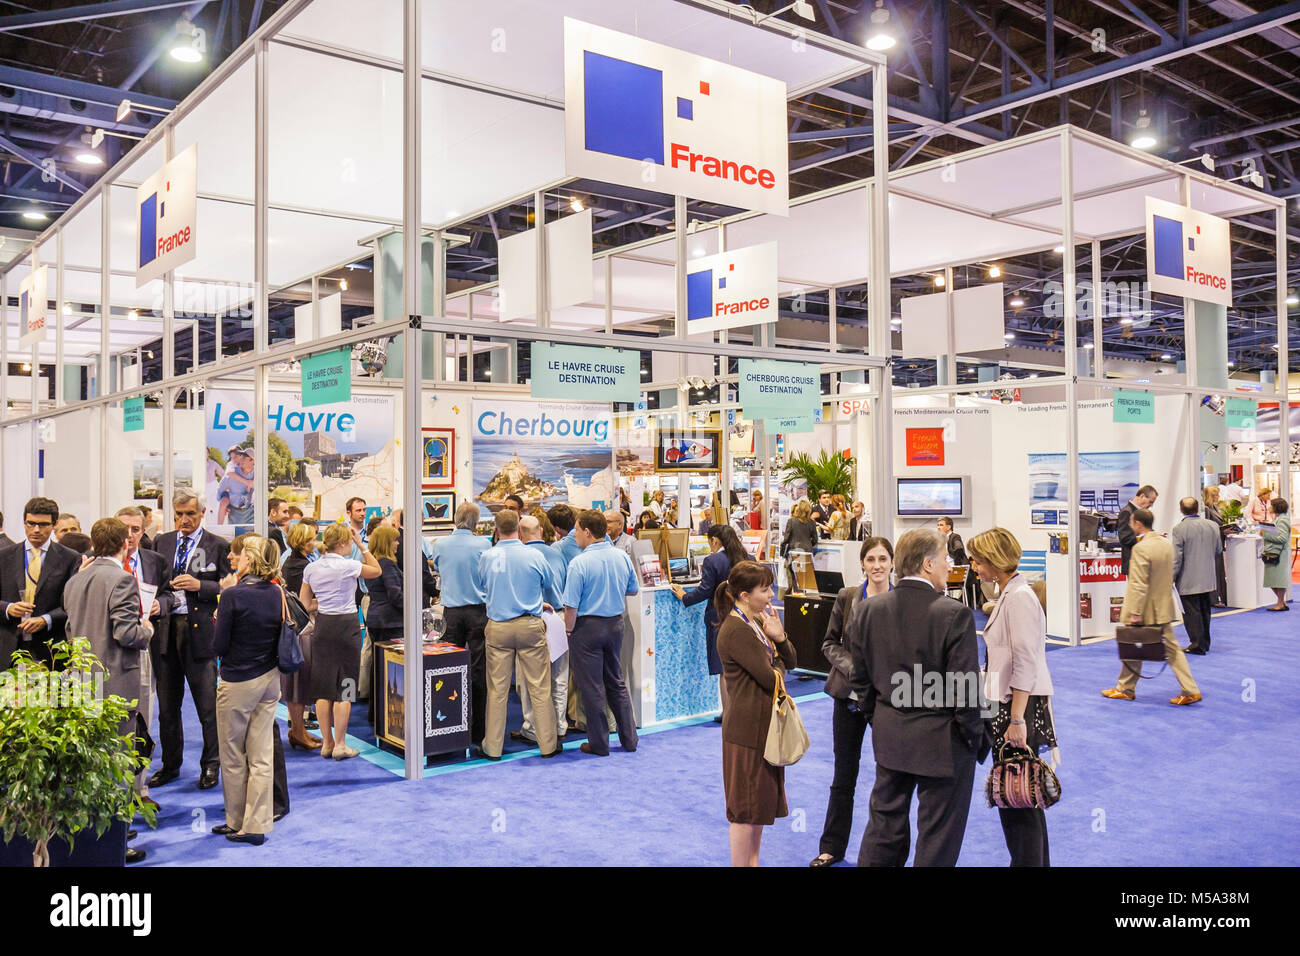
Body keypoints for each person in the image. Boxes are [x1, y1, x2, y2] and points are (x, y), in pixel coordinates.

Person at [848, 528, 984, 867]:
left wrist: (880, 718)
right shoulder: (954, 614)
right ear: (927, 564)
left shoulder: (868, 610)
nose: (948, 566)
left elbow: (860, 680)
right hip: (943, 743)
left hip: (890, 737)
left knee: (883, 832)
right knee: (937, 840)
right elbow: (966, 689)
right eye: (944, 560)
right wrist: (973, 738)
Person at [63, 517, 155, 864]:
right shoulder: (121, 579)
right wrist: (146, 628)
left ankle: (97, 835)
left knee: (90, 767)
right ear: (125, 543)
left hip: (82, 683)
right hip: (116, 685)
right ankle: (114, 844)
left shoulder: (76, 579)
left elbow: (71, 632)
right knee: (117, 768)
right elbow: (126, 634)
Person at [968, 528, 1057, 867]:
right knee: (1024, 798)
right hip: (1009, 707)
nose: (975, 567)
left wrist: (1016, 719)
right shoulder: (1011, 593)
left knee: (1016, 800)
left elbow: (1025, 661)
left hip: (1015, 711)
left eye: (978, 561)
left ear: (995, 561)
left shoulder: (1019, 597)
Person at [811, 536, 894, 867]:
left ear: (892, 563)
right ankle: (831, 846)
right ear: (862, 563)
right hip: (847, 699)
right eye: (870, 559)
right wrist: (855, 670)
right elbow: (829, 643)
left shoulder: (900, 600)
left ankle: (879, 852)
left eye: (882, 559)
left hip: (887, 703)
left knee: (888, 778)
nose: (876, 565)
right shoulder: (848, 597)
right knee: (843, 775)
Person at [716, 560, 797, 866]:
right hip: (746, 731)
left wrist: (779, 637)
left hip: (763, 727)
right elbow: (771, 677)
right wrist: (777, 664)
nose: (771, 594)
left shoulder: (755, 623)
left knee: (758, 806)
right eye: (765, 589)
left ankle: (753, 862)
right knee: (744, 809)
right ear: (745, 596)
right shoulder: (736, 630)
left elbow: (790, 660)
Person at [151, 492, 232, 789]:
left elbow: (228, 586)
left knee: (207, 705)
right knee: (167, 705)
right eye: (179, 515)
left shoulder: (218, 545)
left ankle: (211, 764)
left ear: (202, 513)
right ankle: (171, 764)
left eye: (190, 515)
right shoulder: (162, 542)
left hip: (199, 631)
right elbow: (154, 581)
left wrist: (201, 586)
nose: (184, 520)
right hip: (165, 629)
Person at [209, 534, 283, 846]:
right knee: (262, 754)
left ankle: (235, 820)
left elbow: (219, 646)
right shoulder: (276, 593)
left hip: (238, 680)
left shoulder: (233, 596)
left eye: (239, 556)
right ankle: (256, 824)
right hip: (270, 678)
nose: (234, 559)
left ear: (249, 560)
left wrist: (218, 614)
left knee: (232, 754)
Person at [478, 509, 562, 760]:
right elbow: (547, 582)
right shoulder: (534, 554)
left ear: (496, 528)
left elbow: (484, 584)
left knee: (497, 690)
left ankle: (493, 747)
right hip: (529, 626)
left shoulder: (487, 556)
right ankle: (548, 744)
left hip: (499, 627)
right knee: (539, 687)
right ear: (518, 528)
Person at [1102, 508, 1201, 705]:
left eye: (1132, 522)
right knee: (1170, 649)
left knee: (1132, 644)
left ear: (1138, 524)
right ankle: (1127, 687)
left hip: (1145, 609)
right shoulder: (1165, 544)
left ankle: (1126, 688)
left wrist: (1135, 612)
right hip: (1163, 606)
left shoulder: (1141, 549)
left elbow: (1138, 583)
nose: (1130, 526)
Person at [300, 522, 381, 759]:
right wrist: (362, 545)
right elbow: (376, 570)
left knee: (323, 687)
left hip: (324, 624)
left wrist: (323, 602)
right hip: (346, 625)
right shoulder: (349, 566)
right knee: (345, 685)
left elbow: (305, 604)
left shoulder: (312, 568)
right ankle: (341, 744)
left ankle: (327, 743)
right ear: (344, 542)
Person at [563, 509, 640, 757]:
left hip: (588, 628)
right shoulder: (621, 557)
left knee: (592, 687)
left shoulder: (579, 563)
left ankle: (599, 744)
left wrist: (568, 630)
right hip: (615, 624)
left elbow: (570, 605)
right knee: (616, 681)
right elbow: (633, 589)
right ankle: (629, 739)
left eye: (576, 529)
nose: (574, 534)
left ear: (587, 532)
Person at [115, 506, 175, 807]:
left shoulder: (154, 561)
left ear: (143, 530)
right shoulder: (103, 564)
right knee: (113, 723)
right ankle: (113, 791)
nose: (130, 535)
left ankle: (140, 789)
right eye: (124, 529)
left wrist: (159, 607)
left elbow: (168, 594)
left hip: (145, 649)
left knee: (144, 721)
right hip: (110, 654)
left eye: (135, 529)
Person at [672, 524, 747, 723]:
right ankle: (741, 711)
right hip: (745, 616)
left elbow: (705, 590)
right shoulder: (747, 558)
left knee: (723, 667)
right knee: (742, 665)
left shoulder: (713, 560)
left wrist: (684, 597)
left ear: (715, 540)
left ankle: (728, 713)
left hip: (719, 616)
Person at [432, 502, 492, 744]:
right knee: (479, 671)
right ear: (476, 523)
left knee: (447, 670)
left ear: (455, 519)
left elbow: (437, 568)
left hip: (452, 613)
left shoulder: (441, 544)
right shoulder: (484, 544)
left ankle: (447, 723)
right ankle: (478, 730)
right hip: (479, 612)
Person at [0, 496, 81, 669]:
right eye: (31, 523)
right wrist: (8, 608)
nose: (36, 529)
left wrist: (46, 619)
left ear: (54, 525)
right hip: (8, 646)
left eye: (43, 525)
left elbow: (73, 604)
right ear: (24, 523)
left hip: (51, 648)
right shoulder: (4, 556)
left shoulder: (70, 558)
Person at [513, 514, 570, 745]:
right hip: (559, 615)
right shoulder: (557, 553)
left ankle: (532, 726)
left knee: (528, 679)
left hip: (533, 618)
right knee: (560, 676)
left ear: (520, 533)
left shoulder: (522, 556)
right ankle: (559, 724)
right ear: (541, 531)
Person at [279, 522, 321, 751]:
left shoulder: (292, 562)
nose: (315, 542)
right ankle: (297, 730)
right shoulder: (302, 565)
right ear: (304, 543)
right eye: (312, 539)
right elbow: (304, 604)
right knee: (298, 683)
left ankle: (299, 729)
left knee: (297, 683)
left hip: (296, 630)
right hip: (302, 630)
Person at [362, 525, 404, 715]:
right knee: (391, 670)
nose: (398, 543)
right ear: (388, 542)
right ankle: (388, 715)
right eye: (395, 540)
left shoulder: (374, 563)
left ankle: (375, 713)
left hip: (376, 618)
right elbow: (396, 595)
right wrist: (414, 609)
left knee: (377, 667)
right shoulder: (387, 564)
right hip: (391, 623)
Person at [1171, 497, 1222, 655]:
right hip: (1208, 577)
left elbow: (1176, 558)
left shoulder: (1179, 529)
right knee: (1205, 611)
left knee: (1192, 613)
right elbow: (1218, 550)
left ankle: (1197, 645)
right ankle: (1204, 643)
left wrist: (1170, 578)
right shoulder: (1213, 525)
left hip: (1188, 578)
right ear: (1198, 508)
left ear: (1181, 510)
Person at [1117, 485, 1158, 576]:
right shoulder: (1126, 512)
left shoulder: (1140, 512)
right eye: (1150, 502)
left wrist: (1155, 536)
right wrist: (1148, 538)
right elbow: (1125, 538)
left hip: (1143, 561)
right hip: (1133, 562)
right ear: (1142, 496)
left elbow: (1145, 531)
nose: (1151, 505)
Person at [779, 499, 819, 594]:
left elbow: (786, 539)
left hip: (795, 551)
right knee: (805, 578)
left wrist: (782, 552)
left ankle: (797, 596)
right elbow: (815, 540)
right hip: (808, 552)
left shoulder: (791, 521)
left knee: (795, 577)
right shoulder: (812, 523)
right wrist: (809, 545)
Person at [938, 516, 977, 607]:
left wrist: (947, 552)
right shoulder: (940, 540)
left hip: (955, 573)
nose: (938, 527)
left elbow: (958, 549)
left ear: (948, 527)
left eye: (941, 525)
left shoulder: (954, 537)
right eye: (938, 525)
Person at [1261, 497, 1292, 612]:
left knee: (1278, 579)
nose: (1269, 507)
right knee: (1273, 579)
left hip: (1279, 553)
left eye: (1271, 505)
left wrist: (1265, 534)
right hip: (1276, 552)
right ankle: (1281, 602)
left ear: (1276, 507)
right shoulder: (1280, 518)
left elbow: (1282, 538)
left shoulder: (1282, 520)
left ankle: (1279, 603)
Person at [1202, 485, 1229, 607]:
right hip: (1211, 545)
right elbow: (1207, 528)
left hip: (1218, 543)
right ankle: (1213, 599)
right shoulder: (1207, 509)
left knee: (1219, 571)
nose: (1218, 497)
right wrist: (1222, 530)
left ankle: (1221, 596)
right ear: (1211, 496)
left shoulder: (1214, 507)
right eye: (1216, 495)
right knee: (1214, 572)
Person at [217, 446, 256, 526]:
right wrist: (224, 501)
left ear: (252, 460)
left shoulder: (257, 472)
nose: (241, 458)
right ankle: (219, 528)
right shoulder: (231, 469)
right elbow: (220, 490)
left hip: (250, 510)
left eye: (244, 457)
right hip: (234, 511)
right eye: (242, 456)